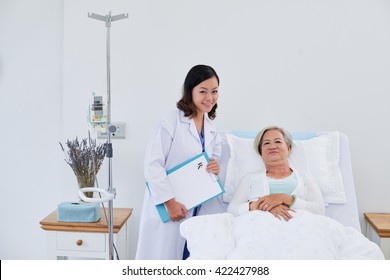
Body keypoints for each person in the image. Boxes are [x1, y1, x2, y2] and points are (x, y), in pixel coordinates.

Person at [135, 65, 225, 260]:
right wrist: (169, 202)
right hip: (168, 207)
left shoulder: (211, 129)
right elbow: (152, 165)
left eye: (215, 91)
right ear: (190, 91)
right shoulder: (170, 121)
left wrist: (214, 167)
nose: (210, 97)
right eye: (203, 91)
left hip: (195, 207)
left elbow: (212, 159)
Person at [227, 126, 325, 220]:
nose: (272, 146)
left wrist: (286, 199)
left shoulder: (305, 177)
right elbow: (232, 210)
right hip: (260, 229)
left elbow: (319, 210)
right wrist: (260, 206)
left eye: (278, 141)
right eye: (266, 143)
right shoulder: (250, 178)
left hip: (299, 228)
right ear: (261, 152)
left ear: (288, 148)